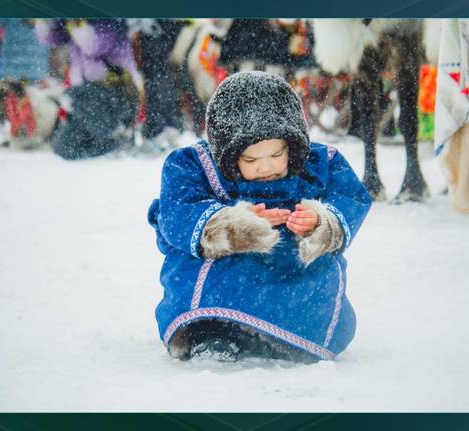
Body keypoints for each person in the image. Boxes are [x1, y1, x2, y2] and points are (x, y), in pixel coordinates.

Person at [147, 71, 372, 363]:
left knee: (312, 295)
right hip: (230, 270)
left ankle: (285, 335)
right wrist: (230, 225)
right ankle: (210, 330)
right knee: (211, 281)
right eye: (250, 160)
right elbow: (178, 210)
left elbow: (350, 197)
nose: (266, 168)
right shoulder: (195, 166)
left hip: (292, 270)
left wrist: (321, 222)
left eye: (277, 155)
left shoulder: (319, 163)